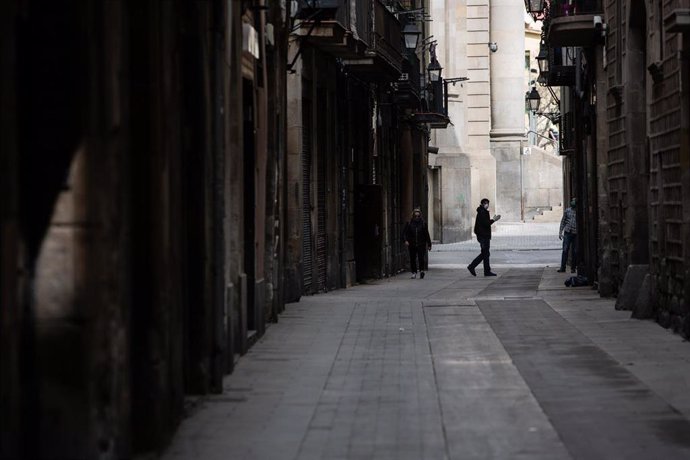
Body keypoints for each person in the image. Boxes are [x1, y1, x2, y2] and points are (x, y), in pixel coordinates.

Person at [467, 198, 501, 277]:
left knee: (485, 254)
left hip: (483, 236)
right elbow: (486, 223)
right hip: (484, 236)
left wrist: (492, 220)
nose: (487, 205)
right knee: (485, 253)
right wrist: (493, 220)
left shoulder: (482, 211)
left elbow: (484, 223)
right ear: (482, 204)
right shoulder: (482, 212)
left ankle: (485, 270)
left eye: (488, 203)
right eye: (485, 203)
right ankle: (473, 267)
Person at [403, 208, 432, 279]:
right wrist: (405, 240)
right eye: (415, 215)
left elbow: (426, 234)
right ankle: (414, 272)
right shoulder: (409, 223)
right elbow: (404, 233)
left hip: (421, 243)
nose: (417, 217)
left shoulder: (423, 223)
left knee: (421, 258)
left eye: (418, 215)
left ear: (420, 215)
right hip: (412, 244)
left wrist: (429, 244)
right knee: (412, 259)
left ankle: (421, 271)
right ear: (413, 215)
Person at [558, 197, 577, 273]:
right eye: (572, 200)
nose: (573, 202)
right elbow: (563, 221)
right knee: (565, 250)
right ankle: (563, 267)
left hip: (575, 233)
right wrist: (560, 232)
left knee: (575, 251)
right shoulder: (567, 211)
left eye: (574, 201)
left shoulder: (579, 212)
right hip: (568, 232)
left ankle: (573, 268)